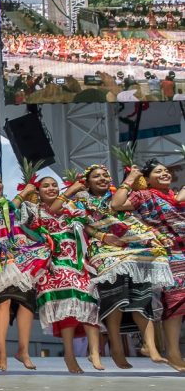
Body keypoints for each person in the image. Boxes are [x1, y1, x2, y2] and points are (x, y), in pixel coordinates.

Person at [74, 164, 172, 369]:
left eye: (105, 175)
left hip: (132, 245)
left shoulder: (118, 195)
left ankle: (152, 348)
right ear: (88, 181)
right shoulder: (82, 199)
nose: (102, 178)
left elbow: (138, 218)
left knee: (142, 294)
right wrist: (103, 236)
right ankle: (117, 349)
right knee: (116, 298)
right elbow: (83, 224)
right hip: (104, 248)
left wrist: (158, 237)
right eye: (97, 176)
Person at [18, 177, 104, 373]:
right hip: (54, 262)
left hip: (78, 259)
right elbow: (46, 214)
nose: (51, 188)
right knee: (67, 307)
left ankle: (94, 352)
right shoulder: (35, 209)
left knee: (90, 301)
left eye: (54, 185)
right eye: (45, 186)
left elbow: (88, 226)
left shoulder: (71, 207)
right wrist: (72, 189)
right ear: (37, 191)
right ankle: (69, 354)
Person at [111, 159, 185, 371]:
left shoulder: (176, 195)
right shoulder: (145, 195)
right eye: (158, 172)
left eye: (165, 171)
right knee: (177, 303)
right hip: (169, 254)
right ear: (148, 178)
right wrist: (131, 179)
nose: (164, 174)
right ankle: (173, 353)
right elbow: (116, 205)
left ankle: (172, 352)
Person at [0, 174, 50, 371]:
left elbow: (28, 221)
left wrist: (30, 200)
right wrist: (23, 193)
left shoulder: (10, 204)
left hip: (21, 254)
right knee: (3, 300)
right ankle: (1, 351)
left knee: (26, 302)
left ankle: (23, 350)